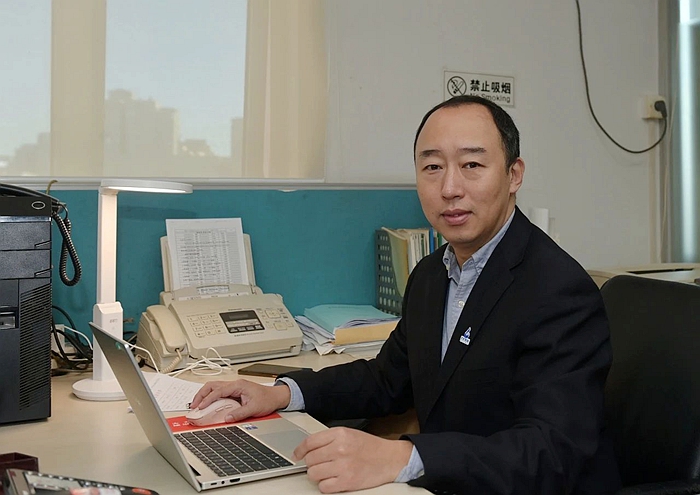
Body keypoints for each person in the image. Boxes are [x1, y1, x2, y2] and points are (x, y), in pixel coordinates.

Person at [190, 95, 621, 494]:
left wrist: (404, 457)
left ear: (514, 175)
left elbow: (551, 452)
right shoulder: (433, 274)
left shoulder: (558, 290)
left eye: (472, 164)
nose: (449, 188)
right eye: (432, 167)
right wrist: (281, 393)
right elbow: (387, 379)